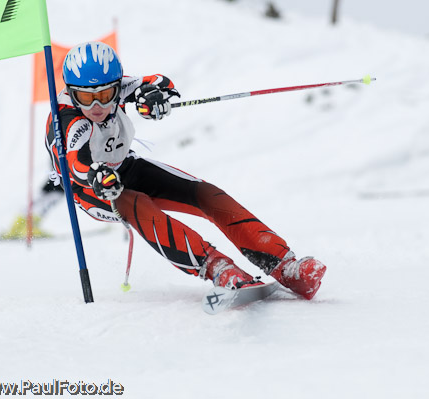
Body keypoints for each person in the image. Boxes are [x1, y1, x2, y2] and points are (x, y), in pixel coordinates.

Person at [44, 41, 327, 299]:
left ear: (117, 86)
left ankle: (284, 266)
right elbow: (75, 162)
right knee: (138, 203)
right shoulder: (70, 120)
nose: (96, 105)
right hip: (90, 188)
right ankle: (218, 269)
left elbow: (156, 81)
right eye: (85, 97)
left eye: (106, 94)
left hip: (124, 165)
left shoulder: (118, 90)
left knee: (205, 194)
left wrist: (153, 96)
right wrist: (96, 175)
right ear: (70, 92)